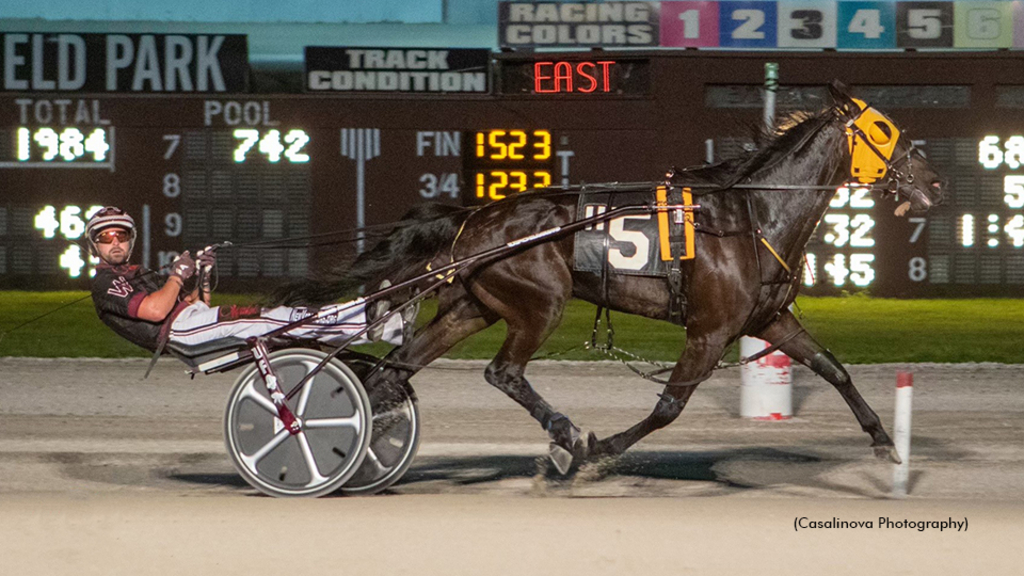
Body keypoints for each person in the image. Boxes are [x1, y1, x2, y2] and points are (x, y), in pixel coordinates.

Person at [85, 206, 406, 353]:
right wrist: (178, 274)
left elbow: (197, 304)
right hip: (180, 332)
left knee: (278, 315)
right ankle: (366, 317)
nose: (115, 242)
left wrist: (203, 274)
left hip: (191, 322)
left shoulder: (135, 273)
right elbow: (156, 312)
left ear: (131, 239)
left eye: (121, 235)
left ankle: (375, 319)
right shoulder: (104, 284)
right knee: (277, 317)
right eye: (106, 237)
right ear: (94, 244)